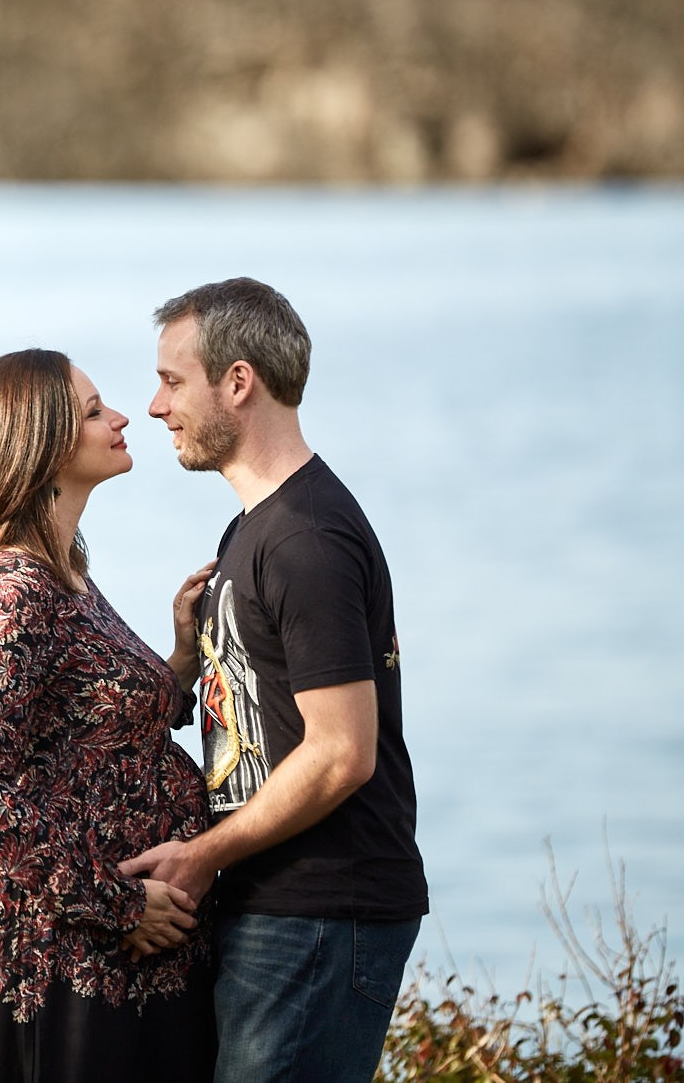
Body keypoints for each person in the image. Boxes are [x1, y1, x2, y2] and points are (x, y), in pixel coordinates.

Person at [120, 278, 428, 1083]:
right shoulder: (252, 531)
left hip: (322, 911)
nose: (154, 406)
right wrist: (191, 651)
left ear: (239, 381)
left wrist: (201, 856)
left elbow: (341, 754)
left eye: (172, 380)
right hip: (281, 907)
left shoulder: (306, 540)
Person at [0, 347, 219, 1083]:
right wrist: (119, 903)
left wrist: (181, 656)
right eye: (94, 411)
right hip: (55, 958)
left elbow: (101, 729)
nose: (123, 416)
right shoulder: (15, 586)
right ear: (41, 446)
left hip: (115, 957)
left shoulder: (69, 572)